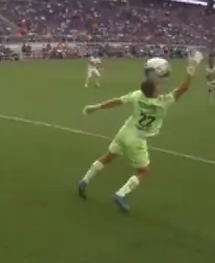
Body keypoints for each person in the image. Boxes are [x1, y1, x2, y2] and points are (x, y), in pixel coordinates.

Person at [77, 55, 197, 212]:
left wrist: (97, 107)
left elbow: (117, 101)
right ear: (154, 91)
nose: (161, 86)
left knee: (108, 156)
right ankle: (121, 194)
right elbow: (184, 87)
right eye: (158, 86)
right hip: (138, 139)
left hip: (125, 131)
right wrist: (192, 66)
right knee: (144, 172)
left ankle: (84, 181)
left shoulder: (137, 95)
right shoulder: (164, 102)